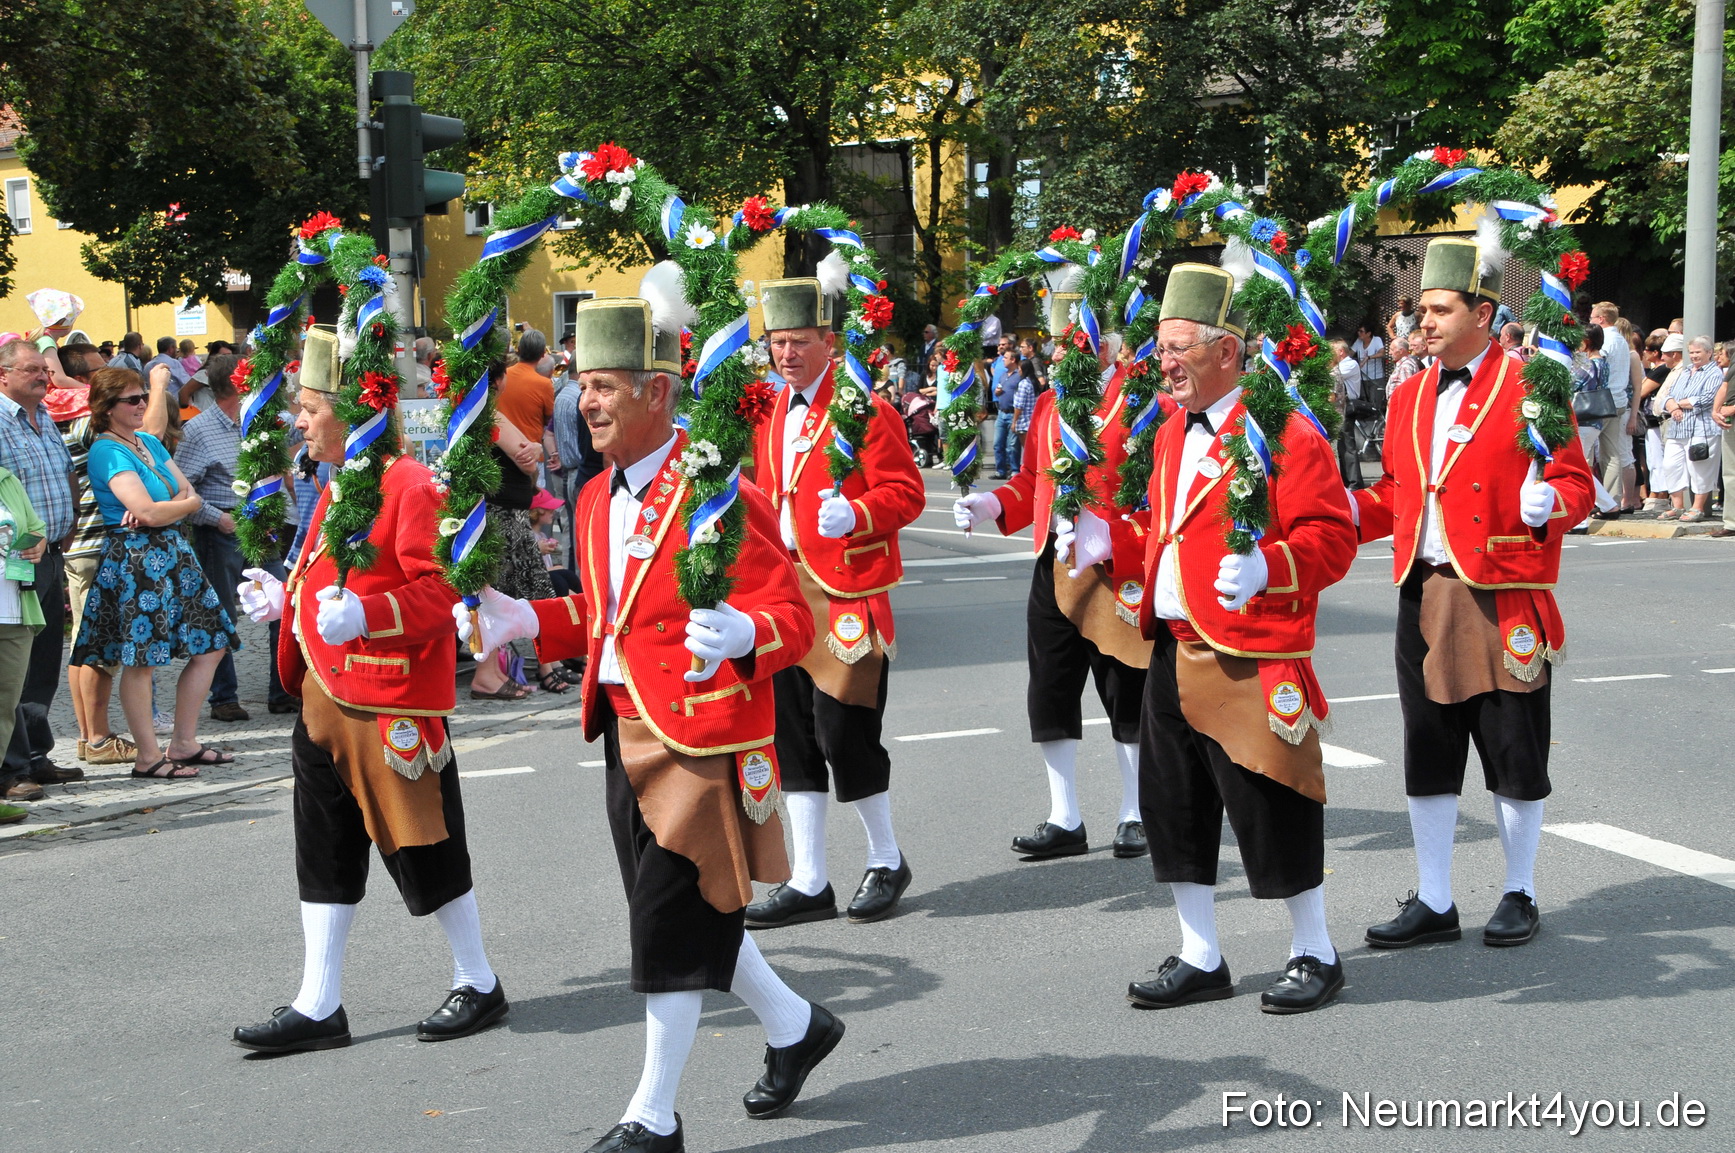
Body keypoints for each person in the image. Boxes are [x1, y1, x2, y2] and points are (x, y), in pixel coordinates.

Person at [461, 294, 844, 1152]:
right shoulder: (596, 497)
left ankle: (653, 1115)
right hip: (627, 733)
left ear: (658, 393)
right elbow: (607, 617)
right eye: (580, 385)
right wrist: (530, 620)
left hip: (705, 741)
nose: (582, 403)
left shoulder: (719, 491)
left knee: (665, 926)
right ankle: (796, 1026)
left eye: (600, 386)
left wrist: (748, 633)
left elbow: (793, 617)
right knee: (686, 909)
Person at [230, 324, 507, 1055]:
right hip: (324, 695)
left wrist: (368, 616)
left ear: (352, 409)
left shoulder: (407, 482)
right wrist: (283, 598)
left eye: (311, 406)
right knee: (322, 850)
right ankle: (318, 1001)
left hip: (389, 700)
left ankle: (478, 978)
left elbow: (440, 591)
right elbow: (328, 578)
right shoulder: (344, 481)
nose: (298, 419)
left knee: (425, 844)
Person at [1122, 263, 1355, 1016]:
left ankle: (1313, 949)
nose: (1164, 363)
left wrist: (1269, 566)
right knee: (1174, 807)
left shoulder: (1282, 430)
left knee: (1273, 799)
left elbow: (1332, 535)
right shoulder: (1165, 433)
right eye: (1160, 348)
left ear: (1226, 351)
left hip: (1250, 650)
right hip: (1169, 647)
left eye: (1179, 347)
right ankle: (1200, 952)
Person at [1354, 236, 1595, 955]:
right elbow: (1396, 492)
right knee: (1426, 747)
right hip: (1420, 588)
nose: (1419, 322)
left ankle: (1517, 890)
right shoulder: (1407, 394)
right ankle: (1433, 897)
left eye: (1435, 308)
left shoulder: (1532, 386)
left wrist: (1547, 496)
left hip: (1499, 588)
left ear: (1482, 312)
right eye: (1417, 309)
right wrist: (1337, 511)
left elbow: (1578, 485)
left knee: (1511, 748)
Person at [743, 273, 925, 929]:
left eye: (797, 342)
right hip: (784, 593)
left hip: (847, 594)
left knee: (844, 731)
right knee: (789, 734)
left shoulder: (863, 410)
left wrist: (856, 513)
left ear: (828, 341)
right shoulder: (766, 414)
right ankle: (809, 877)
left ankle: (885, 856)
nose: (785, 354)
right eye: (776, 343)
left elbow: (906, 493)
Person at [955, 310, 1164, 861]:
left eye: (1075, 343)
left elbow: (1158, 498)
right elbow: (1031, 480)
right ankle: (1064, 815)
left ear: (1106, 347)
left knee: (1126, 690)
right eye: (1058, 342)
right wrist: (994, 501)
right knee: (1049, 688)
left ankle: (1136, 811)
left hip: (1116, 567)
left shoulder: (1143, 402)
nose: (1059, 354)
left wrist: (1115, 534)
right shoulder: (1048, 406)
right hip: (1054, 561)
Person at [68, 367, 240, 778]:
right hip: (136, 562)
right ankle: (148, 757)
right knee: (140, 660)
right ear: (106, 408)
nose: (142, 403)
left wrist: (168, 508)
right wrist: (166, 507)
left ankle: (183, 742)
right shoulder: (107, 450)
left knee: (212, 644)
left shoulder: (146, 441)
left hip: (173, 552)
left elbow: (187, 495)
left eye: (143, 395)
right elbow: (148, 509)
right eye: (131, 399)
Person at [177, 353, 288, 719]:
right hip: (222, 530)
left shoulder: (260, 421)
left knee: (282, 607)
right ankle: (223, 697)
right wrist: (216, 518)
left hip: (263, 526)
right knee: (221, 613)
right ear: (239, 385)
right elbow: (181, 489)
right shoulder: (200, 430)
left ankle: (282, 691)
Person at [0, 339, 81, 802]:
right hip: (15, 560)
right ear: (3, 375)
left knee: (44, 661)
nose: (43, 377)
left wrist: (67, 523)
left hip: (51, 552)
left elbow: (64, 470)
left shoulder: (44, 417)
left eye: (44, 371)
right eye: (32, 370)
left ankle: (36, 754)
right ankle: (11, 770)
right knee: (13, 664)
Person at [61, 347, 142, 767]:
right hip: (96, 544)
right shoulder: (88, 426)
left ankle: (90, 736)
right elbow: (151, 436)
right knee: (98, 648)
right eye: (101, 375)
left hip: (87, 545)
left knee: (86, 644)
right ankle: (97, 738)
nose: (140, 401)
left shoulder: (70, 421)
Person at [0, 465, 48, 824]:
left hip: (13, 609)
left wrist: (38, 544)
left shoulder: (7, 479)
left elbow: (36, 528)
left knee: (3, 706)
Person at [1656, 336, 1722, 522]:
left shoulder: (1714, 373)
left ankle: (1698, 508)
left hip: (1702, 428)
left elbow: (1705, 399)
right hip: (1677, 428)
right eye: (1691, 352)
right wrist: (1673, 406)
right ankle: (1677, 506)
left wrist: (1676, 403)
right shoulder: (1685, 371)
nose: (1694, 356)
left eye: (1698, 352)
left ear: (1709, 353)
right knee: (1671, 465)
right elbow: (1667, 396)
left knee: (1700, 468)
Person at [989, 334, 1019, 478]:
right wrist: (997, 392)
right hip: (1001, 412)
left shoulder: (1019, 375)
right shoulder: (1003, 375)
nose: (1003, 361)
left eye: (1005, 358)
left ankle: (1014, 470)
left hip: (1014, 413)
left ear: (1013, 360)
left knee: (1012, 445)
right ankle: (1000, 470)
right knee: (998, 444)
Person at [1352, 322, 1386, 402]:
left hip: (1375, 377)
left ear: (1368, 333)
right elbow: (1351, 352)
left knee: (1374, 401)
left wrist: (1369, 357)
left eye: (1361, 331)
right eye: (1358, 331)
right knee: (1364, 401)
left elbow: (1382, 352)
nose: (1359, 333)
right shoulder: (1358, 341)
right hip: (1362, 377)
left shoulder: (1376, 340)